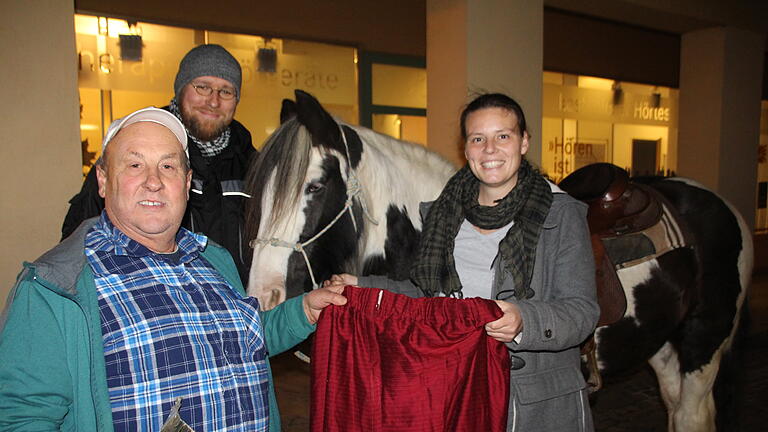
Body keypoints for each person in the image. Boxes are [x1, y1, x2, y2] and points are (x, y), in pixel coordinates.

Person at [0, 107, 346, 431]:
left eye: (168, 166)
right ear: (103, 180)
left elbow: (242, 339)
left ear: (187, 181)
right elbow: (24, 417)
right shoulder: (55, 287)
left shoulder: (213, 258)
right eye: (134, 165)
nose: (154, 181)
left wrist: (303, 311)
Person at [326, 93, 599, 431]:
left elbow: (582, 311)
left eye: (503, 136)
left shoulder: (561, 214)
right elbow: (428, 296)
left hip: (531, 405)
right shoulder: (442, 215)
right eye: (477, 139)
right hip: (456, 389)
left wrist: (524, 320)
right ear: (465, 148)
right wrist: (362, 286)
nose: (490, 150)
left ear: (524, 142)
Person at [62, 44, 255, 284]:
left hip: (233, 305)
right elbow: (76, 243)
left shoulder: (256, 168)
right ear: (180, 89)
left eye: (226, 91)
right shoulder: (128, 148)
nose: (213, 101)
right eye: (202, 87)